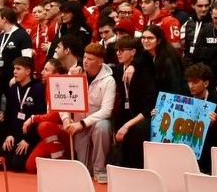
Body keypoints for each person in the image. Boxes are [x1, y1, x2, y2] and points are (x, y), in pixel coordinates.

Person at [61, 43, 115, 184]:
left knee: (103, 126)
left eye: (90, 59)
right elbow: (63, 101)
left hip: (95, 123)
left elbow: (106, 111)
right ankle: (90, 168)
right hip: (78, 125)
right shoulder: (74, 74)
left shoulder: (109, 80)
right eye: (85, 57)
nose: (85, 61)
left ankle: (100, 169)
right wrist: (66, 119)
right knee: (84, 170)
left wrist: (82, 123)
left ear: (100, 61)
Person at [112, 37, 156, 168]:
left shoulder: (144, 71)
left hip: (142, 114)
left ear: (133, 52)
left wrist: (127, 126)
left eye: (121, 50)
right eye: (117, 50)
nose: (118, 53)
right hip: (125, 111)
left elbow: (148, 107)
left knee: (137, 130)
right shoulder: (118, 70)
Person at [2, 56, 46, 171]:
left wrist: (28, 140)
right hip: (14, 135)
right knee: (3, 164)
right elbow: (8, 114)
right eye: (14, 68)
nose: (14, 72)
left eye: (18, 69)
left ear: (28, 71)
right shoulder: (13, 89)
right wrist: (8, 135)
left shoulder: (38, 88)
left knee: (16, 166)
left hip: (30, 136)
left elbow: (40, 116)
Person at [140, 24, 187, 95]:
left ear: (159, 41)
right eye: (143, 37)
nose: (146, 41)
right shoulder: (148, 54)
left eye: (150, 38)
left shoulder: (167, 60)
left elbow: (174, 86)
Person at [0, 7, 33, 81]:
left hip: (16, 77)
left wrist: (17, 77)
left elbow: (27, 59)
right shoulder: (0, 36)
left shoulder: (22, 35)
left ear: (4, 19)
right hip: (0, 76)